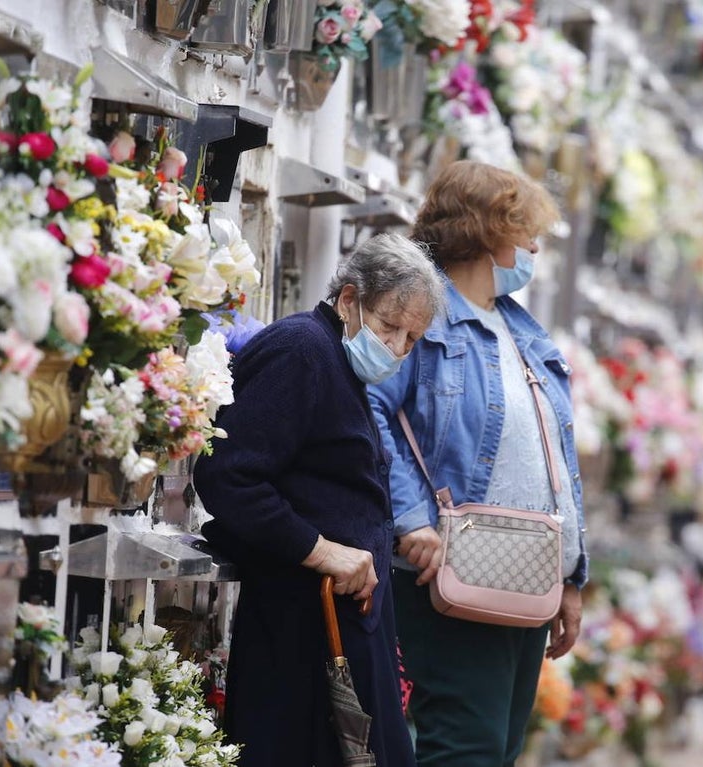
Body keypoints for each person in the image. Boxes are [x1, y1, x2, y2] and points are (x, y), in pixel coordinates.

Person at [192, 234, 445, 767]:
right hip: (303, 632)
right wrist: (321, 550)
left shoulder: (336, 360)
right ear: (350, 299)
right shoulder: (302, 349)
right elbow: (228, 476)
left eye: (411, 338)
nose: (397, 348)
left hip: (337, 626)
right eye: (389, 326)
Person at [369, 160, 588, 766]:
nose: (534, 249)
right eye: (524, 232)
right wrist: (411, 519)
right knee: (466, 748)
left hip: (527, 573)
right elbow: (369, 409)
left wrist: (570, 576)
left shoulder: (521, 329)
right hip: (454, 567)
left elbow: (555, 462)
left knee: (498, 749)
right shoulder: (427, 315)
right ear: (485, 232)